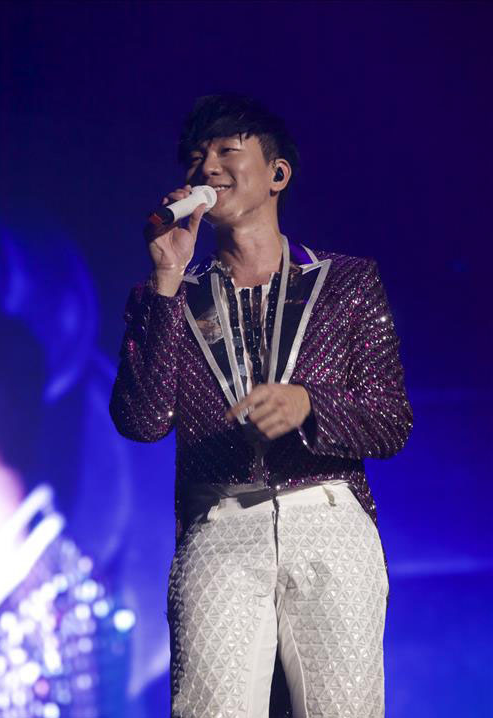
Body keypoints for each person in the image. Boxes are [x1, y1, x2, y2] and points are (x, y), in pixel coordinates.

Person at [109, 94, 413, 718]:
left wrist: (309, 405)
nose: (207, 167)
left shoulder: (346, 283)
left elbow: (390, 421)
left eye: (227, 150)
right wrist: (167, 278)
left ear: (277, 174)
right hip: (219, 523)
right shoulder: (168, 296)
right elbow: (142, 421)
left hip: (327, 515)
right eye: (197, 157)